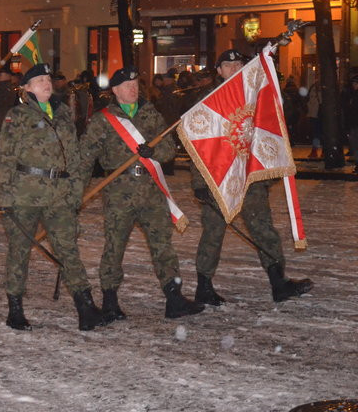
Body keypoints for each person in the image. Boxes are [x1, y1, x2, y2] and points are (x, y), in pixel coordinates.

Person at [79, 67, 204, 321]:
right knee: (115, 245)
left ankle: (174, 298)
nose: (133, 88)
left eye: (136, 84)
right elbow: (84, 158)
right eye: (127, 85)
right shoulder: (103, 119)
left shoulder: (150, 113)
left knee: (162, 244)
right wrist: (75, 193)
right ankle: (110, 301)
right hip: (119, 191)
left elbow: (168, 149)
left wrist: (153, 152)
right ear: (115, 90)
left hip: (150, 190)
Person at [191, 50, 312, 304]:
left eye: (238, 64)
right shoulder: (209, 99)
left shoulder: (255, 93)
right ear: (219, 70)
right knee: (213, 233)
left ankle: (278, 283)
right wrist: (199, 183)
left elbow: (274, 120)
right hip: (218, 178)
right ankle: (204, 287)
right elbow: (198, 143)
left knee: (263, 229)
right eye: (228, 65)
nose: (234, 68)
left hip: (250, 177)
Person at [0, 63, 103, 331]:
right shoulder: (17, 115)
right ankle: (15, 310)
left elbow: (73, 157)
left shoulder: (63, 113)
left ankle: (86, 307)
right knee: (19, 251)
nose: (46, 83)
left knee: (68, 249)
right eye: (39, 80)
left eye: (47, 79)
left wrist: (76, 191)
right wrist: (5, 199)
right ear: (26, 88)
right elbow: (6, 157)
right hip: (25, 193)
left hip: (59, 194)